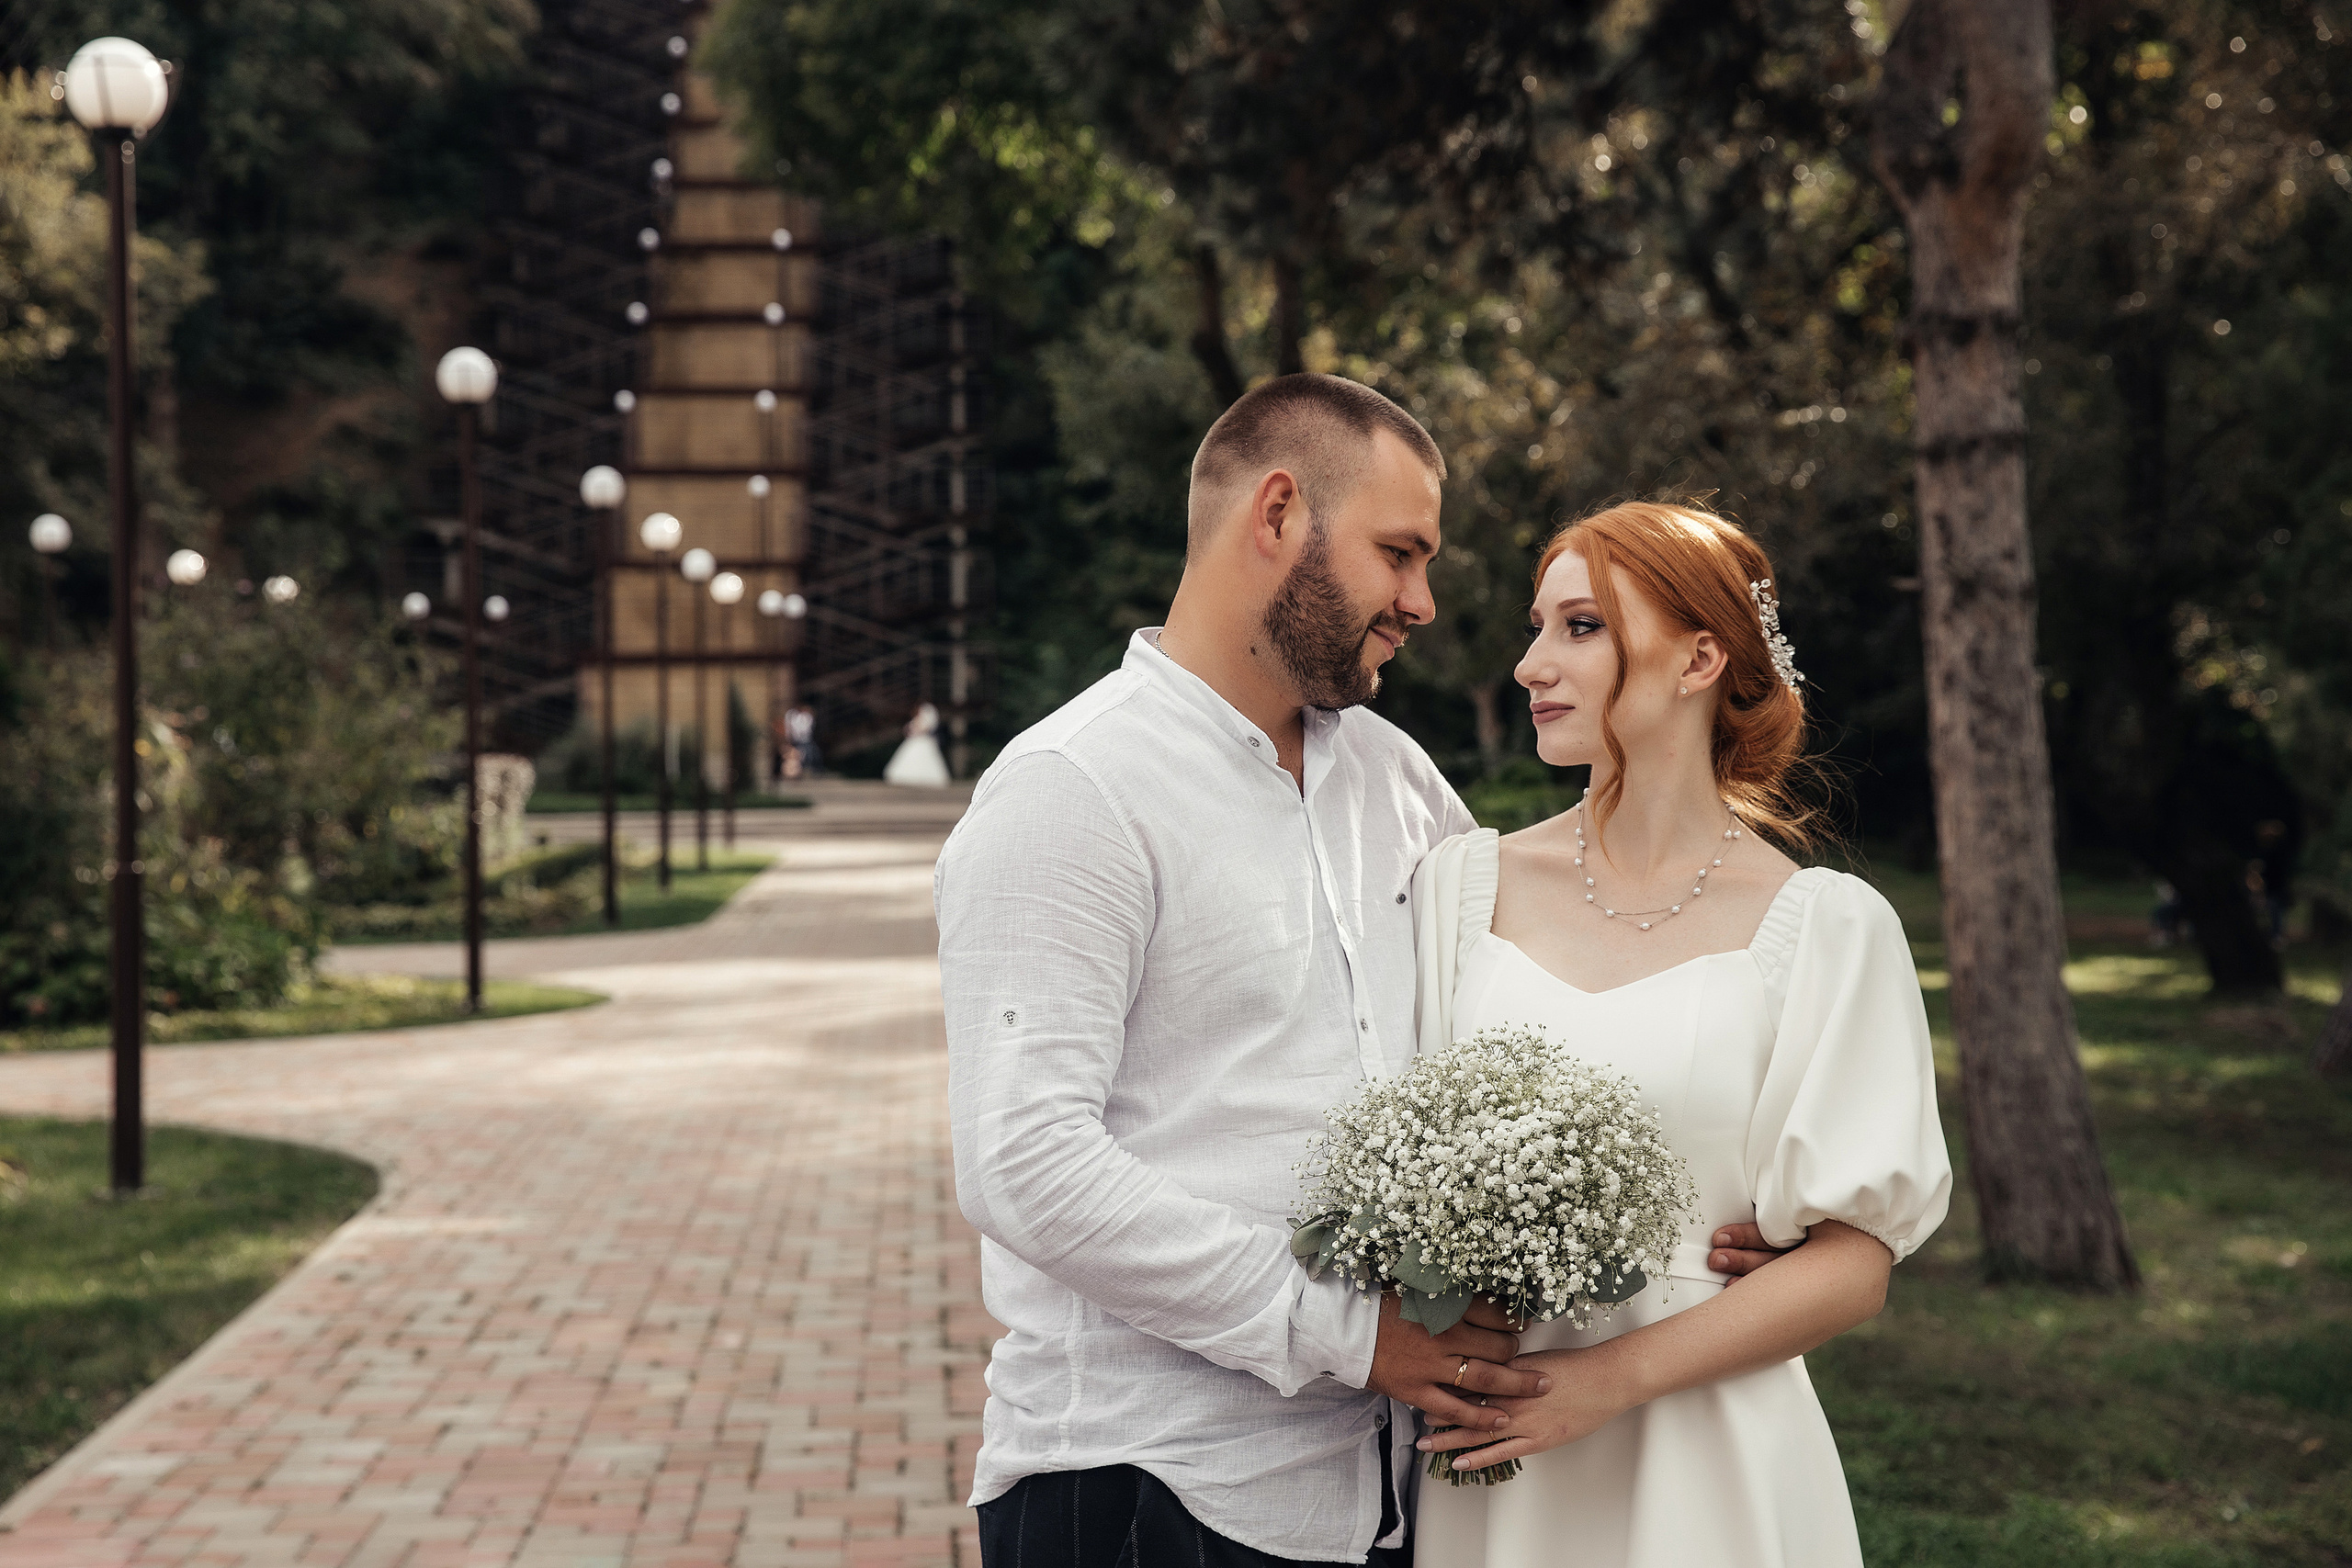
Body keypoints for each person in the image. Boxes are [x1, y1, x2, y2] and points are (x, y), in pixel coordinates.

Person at [935, 378, 1782, 1568]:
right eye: (1400, 553)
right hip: (1148, 1487)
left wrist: (1715, 1202)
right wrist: (1348, 1330)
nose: (1423, 601)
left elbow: (1510, 1023)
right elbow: (1025, 1161)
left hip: (1382, 1495)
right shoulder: (1073, 788)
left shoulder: (1395, 778)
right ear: (1278, 512)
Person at [1408, 502, 1953, 1568]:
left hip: (1710, 1456)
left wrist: (1603, 1383)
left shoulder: (1827, 930)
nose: (1529, 664)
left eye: (1580, 627)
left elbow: (1853, 1263)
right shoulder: (1458, 890)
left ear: (1699, 655)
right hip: (1493, 1444)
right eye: (1536, 626)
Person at [885, 700, 953, 785]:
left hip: (923, 740)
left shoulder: (925, 718)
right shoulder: (916, 718)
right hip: (915, 739)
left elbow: (925, 728)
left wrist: (916, 731)